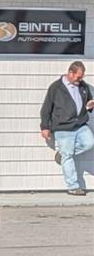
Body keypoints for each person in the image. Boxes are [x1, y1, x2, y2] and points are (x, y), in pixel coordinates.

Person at [40, 61, 94, 196]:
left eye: (82, 77)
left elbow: (89, 102)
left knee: (89, 143)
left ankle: (63, 153)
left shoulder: (83, 87)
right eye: (78, 77)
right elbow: (46, 108)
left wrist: (91, 105)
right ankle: (73, 186)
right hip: (63, 127)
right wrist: (45, 127)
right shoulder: (56, 87)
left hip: (80, 124)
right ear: (70, 73)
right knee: (68, 156)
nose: (81, 79)